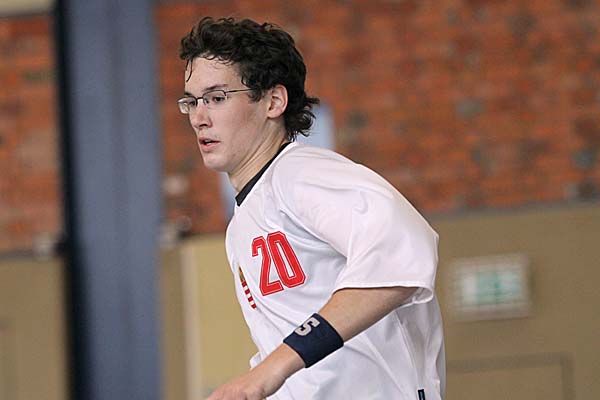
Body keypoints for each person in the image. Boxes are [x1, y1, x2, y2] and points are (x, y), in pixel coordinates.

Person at [177, 16, 445, 400]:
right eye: (191, 101)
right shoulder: (244, 222)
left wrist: (271, 369)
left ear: (273, 101)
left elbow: (405, 251)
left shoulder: (303, 174)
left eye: (217, 98)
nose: (199, 118)